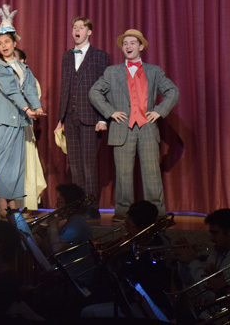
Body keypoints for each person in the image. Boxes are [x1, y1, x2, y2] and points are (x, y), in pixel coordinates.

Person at [89, 29, 179, 221]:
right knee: (123, 175)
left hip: (147, 128)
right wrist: (110, 112)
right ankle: (123, 213)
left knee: (152, 174)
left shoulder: (154, 71)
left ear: (141, 46)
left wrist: (159, 111)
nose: (128, 46)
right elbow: (94, 92)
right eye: (125, 43)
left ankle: (156, 214)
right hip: (122, 129)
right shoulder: (112, 72)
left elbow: (172, 91)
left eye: (132, 43)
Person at [0, 5, 44, 217]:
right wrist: (27, 108)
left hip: (18, 121)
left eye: (7, 42)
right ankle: (2, 204)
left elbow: (29, 88)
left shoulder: (24, 68)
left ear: (14, 43)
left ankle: (12, 205)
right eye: (0, 43)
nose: (3, 46)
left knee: (16, 164)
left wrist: (37, 108)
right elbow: (10, 89)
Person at [55, 17, 110, 219]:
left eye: (81, 27)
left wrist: (104, 118)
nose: (77, 30)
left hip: (91, 117)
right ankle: (78, 206)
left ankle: (91, 206)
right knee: (75, 164)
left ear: (89, 32)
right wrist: (61, 118)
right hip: (71, 117)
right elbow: (65, 87)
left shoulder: (100, 56)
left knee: (89, 164)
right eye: (75, 27)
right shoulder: (67, 56)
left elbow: (106, 90)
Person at [14, 48, 47, 210]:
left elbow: (34, 98)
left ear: (23, 62)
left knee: (25, 163)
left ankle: (26, 202)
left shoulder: (29, 79)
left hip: (23, 126)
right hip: (6, 128)